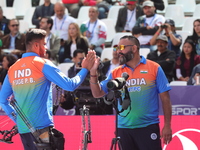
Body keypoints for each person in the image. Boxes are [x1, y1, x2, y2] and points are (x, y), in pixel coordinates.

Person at [0, 28, 96, 150]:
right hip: (42, 128)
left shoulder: (13, 68)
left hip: (24, 129)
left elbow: (3, 100)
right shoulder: (42, 63)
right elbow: (70, 85)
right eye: (44, 44)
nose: (46, 48)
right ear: (36, 45)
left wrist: (17, 120)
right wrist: (85, 69)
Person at [89, 35, 172, 150]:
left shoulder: (154, 68)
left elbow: (165, 99)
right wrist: (93, 73)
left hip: (148, 127)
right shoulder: (116, 72)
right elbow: (97, 93)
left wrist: (167, 125)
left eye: (122, 47)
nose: (118, 51)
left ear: (134, 48)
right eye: (116, 48)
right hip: (123, 129)